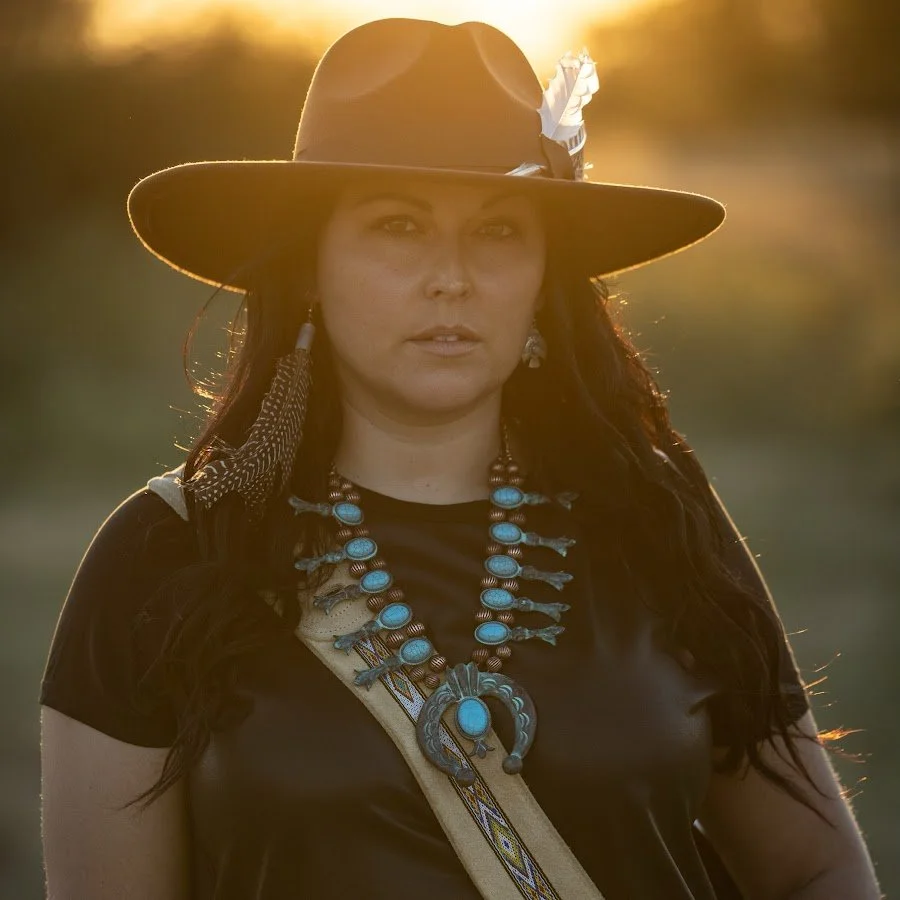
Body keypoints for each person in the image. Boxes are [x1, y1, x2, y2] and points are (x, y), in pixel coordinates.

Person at [39, 17, 880, 900]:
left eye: (500, 231)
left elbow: (815, 869)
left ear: (543, 276)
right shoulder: (164, 556)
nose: (453, 277)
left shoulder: (654, 518)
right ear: (313, 267)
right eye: (399, 226)